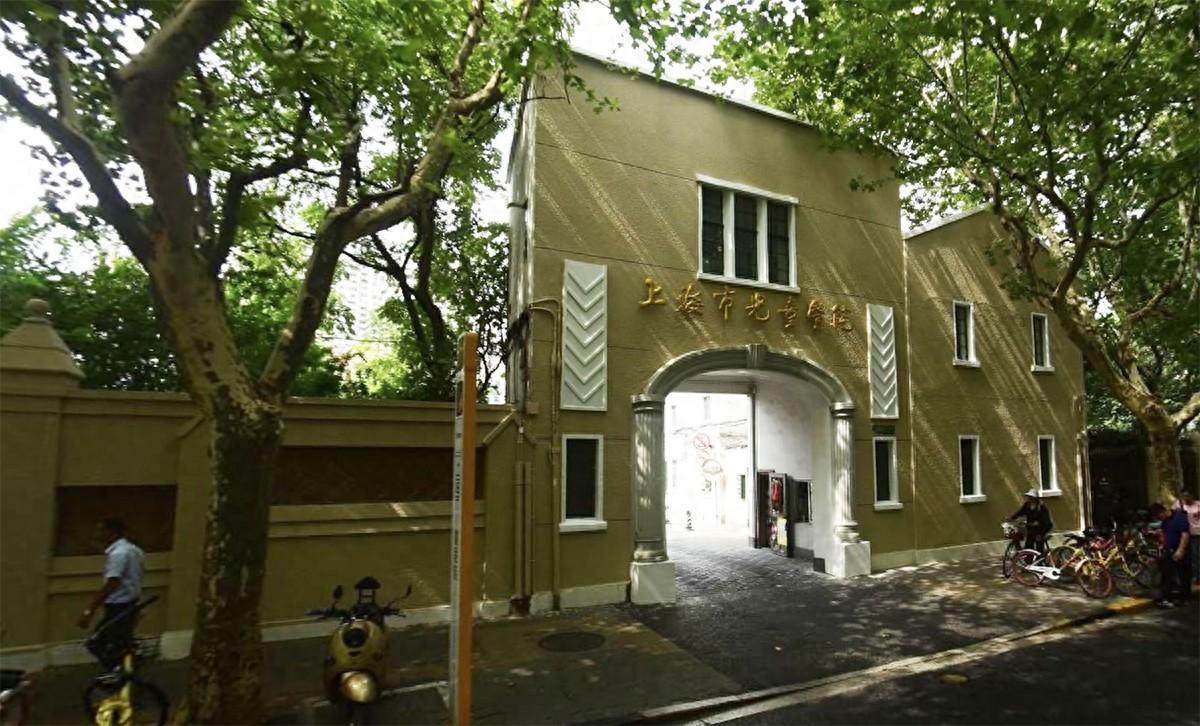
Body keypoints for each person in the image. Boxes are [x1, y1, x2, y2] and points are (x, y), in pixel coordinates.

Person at [76, 517, 145, 668]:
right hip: (130, 603)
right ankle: (127, 669)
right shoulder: (135, 550)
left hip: (118, 607)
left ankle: (118, 672)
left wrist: (89, 610)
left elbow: (112, 583)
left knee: (96, 642)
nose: (97, 534)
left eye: (101, 530)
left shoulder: (118, 554)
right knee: (121, 643)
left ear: (112, 532)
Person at [1150, 502, 1191, 607]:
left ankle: (1184, 598)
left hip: (1180, 549)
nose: (1159, 519)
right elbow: (1165, 534)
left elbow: (1185, 534)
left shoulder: (1179, 517)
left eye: (1159, 516)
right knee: (1167, 573)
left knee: (1183, 574)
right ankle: (1168, 597)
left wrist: (1180, 550)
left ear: (1162, 511)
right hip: (1169, 550)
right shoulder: (1165, 522)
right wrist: (1162, 545)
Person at [1008, 489, 1053, 553]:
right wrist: (1012, 517)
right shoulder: (1027, 505)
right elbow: (1020, 512)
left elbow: (1046, 520)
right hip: (1031, 528)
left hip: (1041, 529)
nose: (1029, 498)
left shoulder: (1041, 507)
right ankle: (1029, 558)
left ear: (1035, 498)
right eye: (1029, 497)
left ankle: (1040, 558)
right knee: (1028, 546)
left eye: (1031, 497)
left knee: (1039, 546)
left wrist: (1039, 524)